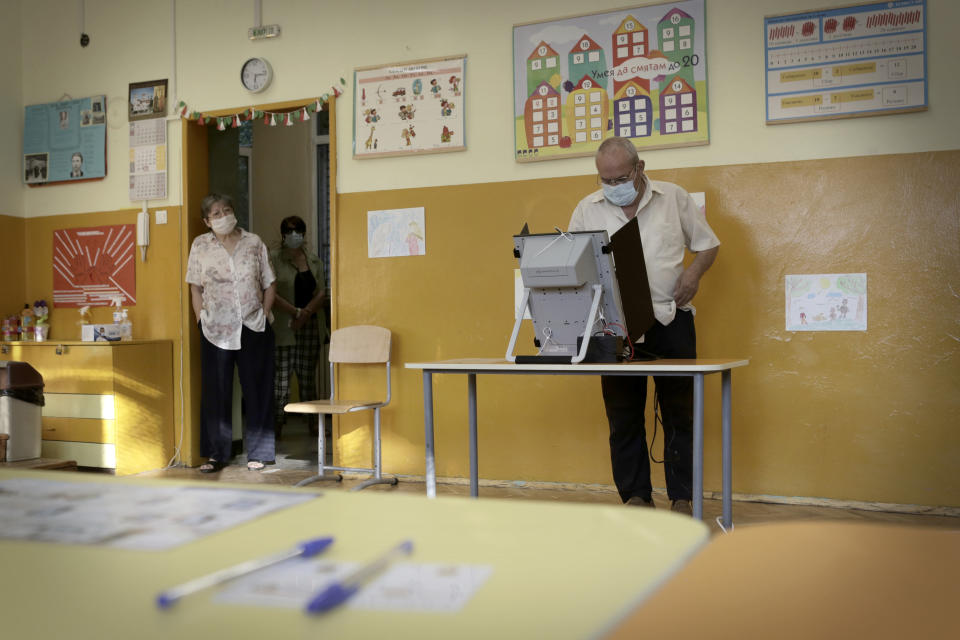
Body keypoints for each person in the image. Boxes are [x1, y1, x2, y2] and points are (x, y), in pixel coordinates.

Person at [568, 137, 720, 515]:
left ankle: (683, 497)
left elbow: (708, 245)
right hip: (614, 326)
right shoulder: (587, 208)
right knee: (623, 416)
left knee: (680, 413)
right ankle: (635, 496)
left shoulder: (673, 198)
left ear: (640, 168)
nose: (614, 185)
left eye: (621, 177)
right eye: (606, 179)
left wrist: (694, 274)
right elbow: (572, 264)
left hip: (670, 318)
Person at [185, 194, 277, 472]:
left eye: (226, 210)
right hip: (215, 329)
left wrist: (263, 313)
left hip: (253, 325)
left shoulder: (254, 242)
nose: (222, 216)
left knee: (258, 389)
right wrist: (200, 319)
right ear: (206, 221)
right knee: (216, 391)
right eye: (215, 213)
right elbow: (194, 287)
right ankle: (216, 454)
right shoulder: (200, 245)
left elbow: (269, 282)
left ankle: (259, 454)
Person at [269, 216, 327, 439]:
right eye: (290, 231)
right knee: (281, 380)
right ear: (283, 235)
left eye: (298, 231)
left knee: (307, 378)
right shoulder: (273, 258)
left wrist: (306, 313)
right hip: (285, 326)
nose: (295, 235)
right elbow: (270, 292)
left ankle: (314, 424)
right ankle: (277, 425)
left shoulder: (313, 260)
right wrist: (295, 312)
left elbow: (321, 292)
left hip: (310, 325)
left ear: (304, 233)